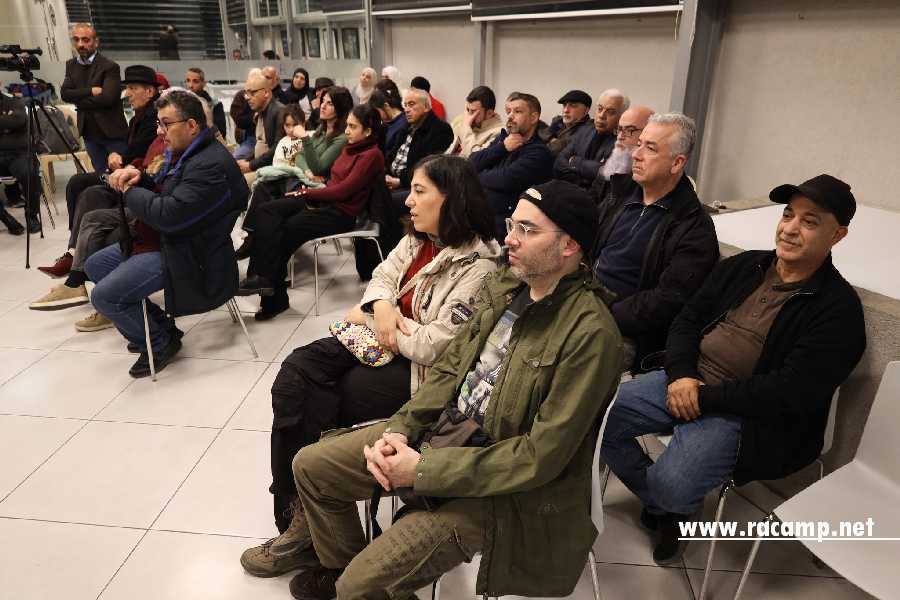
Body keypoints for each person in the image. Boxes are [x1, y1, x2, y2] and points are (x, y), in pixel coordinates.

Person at [239, 179, 622, 599]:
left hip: (504, 487)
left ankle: (355, 586)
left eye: (528, 230)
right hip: (446, 432)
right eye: (512, 224)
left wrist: (422, 470)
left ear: (569, 246)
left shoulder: (591, 334)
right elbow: (449, 369)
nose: (510, 238)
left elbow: (539, 458)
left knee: (358, 587)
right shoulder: (507, 287)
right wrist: (401, 429)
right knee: (312, 467)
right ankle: (346, 576)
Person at [602, 173, 867, 564]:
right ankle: (664, 507)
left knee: (674, 483)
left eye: (809, 222)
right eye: (788, 215)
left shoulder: (838, 310)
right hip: (686, 378)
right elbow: (687, 319)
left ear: (837, 235)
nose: (790, 229)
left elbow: (791, 390)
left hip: (744, 413)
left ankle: (670, 502)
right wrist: (681, 375)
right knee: (595, 415)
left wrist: (703, 397)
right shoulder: (745, 266)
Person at [239, 153, 502, 539]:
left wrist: (373, 319)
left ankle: (302, 522)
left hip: (418, 373)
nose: (408, 200)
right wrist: (381, 307)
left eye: (419, 191)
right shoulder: (419, 237)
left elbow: (433, 346)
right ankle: (295, 507)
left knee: (317, 399)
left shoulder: (479, 267)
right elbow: (382, 276)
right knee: (294, 375)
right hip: (382, 342)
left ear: (451, 198)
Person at [82, 91, 250, 377]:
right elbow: (169, 193)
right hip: (174, 241)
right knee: (95, 265)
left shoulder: (208, 164)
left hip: (193, 254)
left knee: (104, 297)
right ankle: (160, 327)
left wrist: (129, 190)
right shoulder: (190, 152)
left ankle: (159, 342)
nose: (160, 131)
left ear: (192, 125)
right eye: (158, 124)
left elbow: (168, 216)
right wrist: (141, 178)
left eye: (165, 124)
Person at [592, 112, 719, 371]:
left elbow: (666, 301)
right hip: (585, 305)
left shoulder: (694, 227)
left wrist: (600, 313)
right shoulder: (621, 195)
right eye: (639, 144)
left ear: (677, 163)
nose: (636, 154)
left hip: (624, 332)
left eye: (650, 148)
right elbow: (586, 247)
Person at [237, 103, 385, 320]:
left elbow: (344, 191)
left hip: (341, 214)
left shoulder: (372, 155)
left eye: (353, 127)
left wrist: (307, 192)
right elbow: (332, 179)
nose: (346, 131)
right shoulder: (351, 147)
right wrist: (313, 188)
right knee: (267, 212)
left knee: (284, 230)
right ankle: (262, 279)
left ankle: (272, 294)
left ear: (368, 131)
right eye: (347, 125)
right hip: (325, 200)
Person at [36, 65, 162, 280]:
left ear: (150, 91)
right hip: (127, 169)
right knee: (81, 185)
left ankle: (74, 254)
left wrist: (122, 162)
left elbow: (144, 155)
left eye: (133, 88)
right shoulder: (138, 117)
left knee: (85, 188)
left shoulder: (153, 118)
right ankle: (74, 251)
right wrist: (119, 158)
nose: (128, 94)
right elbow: (136, 152)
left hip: (137, 177)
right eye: (127, 88)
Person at [237, 87, 352, 259]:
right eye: (323, 101)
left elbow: (318, 167)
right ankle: (252, 239)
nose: (322, 106)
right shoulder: (320, 131)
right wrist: (306, 170)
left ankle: (261, 249)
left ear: (340, 108)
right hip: (303, 180)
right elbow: (299, 157)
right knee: (263, 186)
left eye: (329, 103)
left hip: (317, 191)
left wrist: (305, 139)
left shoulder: (340, 138)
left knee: (269, 206)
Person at [470, 92, 553, 241]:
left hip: (509, 228)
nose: (510, 116)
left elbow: (505, 180)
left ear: (533, 117)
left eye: (517, 111)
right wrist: (502, 148)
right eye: (508, 111)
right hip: (481, 217)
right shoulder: (503, 140)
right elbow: (472, 162)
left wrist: (474, 175)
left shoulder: (539, 153)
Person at [61, 23, 129, 175]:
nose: (80, 44)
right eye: (76, 39)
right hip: (89, 133)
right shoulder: (71, 65)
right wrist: (90, 91)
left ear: (96, 42)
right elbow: (65, 94)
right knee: (101, 176)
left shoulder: (109, 66)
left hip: (112, 133)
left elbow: (108, 98)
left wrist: (79, 100)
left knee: (120, 176)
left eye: (85, 40)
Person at [383, 89, 453, 223]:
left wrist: (399, 181)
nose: (406, 110)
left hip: (416, 185)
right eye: (405, 105)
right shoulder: (406, 127)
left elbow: (427, 168)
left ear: (426, 107)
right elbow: (391, 156)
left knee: (386, 201)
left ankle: (386, 237)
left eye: (411, 104)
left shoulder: (440, 130)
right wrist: (385, 174)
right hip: (394, 180)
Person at [554, 88, 628, 189]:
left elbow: (608, 174)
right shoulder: (585, 129)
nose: (602, 116)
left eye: (610, 112)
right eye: (600, 109)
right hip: (570, 189)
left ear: (622, 116)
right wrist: (581, 181)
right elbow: (559, 162)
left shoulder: (624, 140)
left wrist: (575, 162)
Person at [590, 104, 655, 202]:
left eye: (629, 130)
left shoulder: (648, 177)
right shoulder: (615, 157)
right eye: (620, 129)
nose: (620, 137)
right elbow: (592, 196)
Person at [236, 71, 285, 178]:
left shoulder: (279, 111)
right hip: (261, 167)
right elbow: (261, 146)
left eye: (252, 93)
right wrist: (247, 161)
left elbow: (277, 149)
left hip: (272, 171)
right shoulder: (260, 112)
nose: (247, 97)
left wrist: (251, 165)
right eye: (246, 93)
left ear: (266, 93)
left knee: (238, 181)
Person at [0, 89, 35, 234]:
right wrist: (6, 120)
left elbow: (18, 119)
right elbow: (11, 122)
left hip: (18, 154)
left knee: (30, 174)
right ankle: (6, 218)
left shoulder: (13, 101)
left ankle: (32, 216)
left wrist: (9, 121)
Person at [445, 85, 503, 158]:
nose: (468, 116)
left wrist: (466, 128)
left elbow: (475, 158)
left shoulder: (498, 133)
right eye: (467, 109)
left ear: (489, 113)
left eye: (473, 111)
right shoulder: (462, 119)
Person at [545, 89, 593, 157]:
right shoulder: (558, 121)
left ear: (586, 110)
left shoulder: (588, 129)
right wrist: (551, 139)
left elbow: (553, 150)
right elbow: (541, 134)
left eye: (573, 106)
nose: (566, 110)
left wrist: (550, 138)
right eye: (564, 105)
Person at [184, 67, 227, 136]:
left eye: (195, 81)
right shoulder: (180, 104)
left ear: (203, 83)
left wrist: (209, 122)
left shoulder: (215, 105)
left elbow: (221, 134)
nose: (190, 85)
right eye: (188, 80)